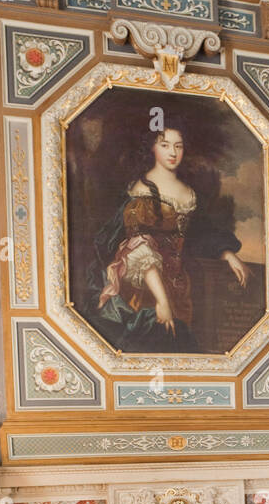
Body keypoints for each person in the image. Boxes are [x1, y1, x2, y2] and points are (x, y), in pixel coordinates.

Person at [93, 124, 247, 348]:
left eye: (178, 146)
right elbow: (138, 248)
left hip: (180, 286)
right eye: (164, 145)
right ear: (152, 149)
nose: (173, 153)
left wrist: (227, 253)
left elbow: (201, 234)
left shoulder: (189, 193)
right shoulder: (142, 191)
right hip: (145, 286)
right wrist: (161, 300)